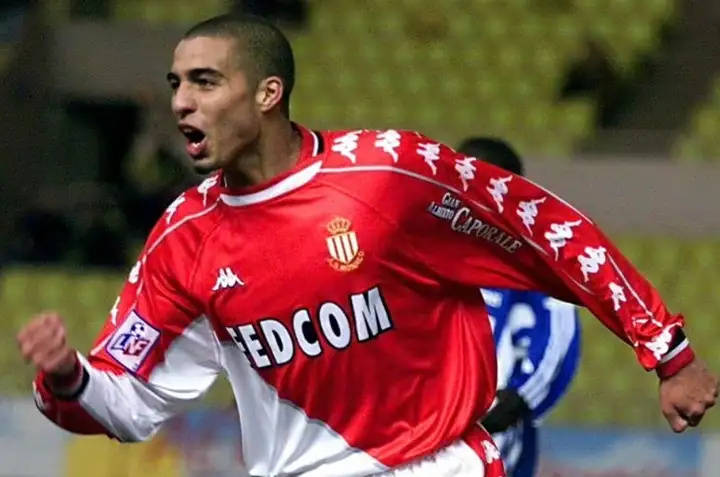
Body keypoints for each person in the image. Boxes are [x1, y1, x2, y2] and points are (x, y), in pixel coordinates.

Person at [16, 14, 717, 477]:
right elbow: (128, 399)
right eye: (176, 84)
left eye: (205, 82)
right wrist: (69, 377)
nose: (180, 102)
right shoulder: (183, 240)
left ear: (268, 93)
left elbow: (544, 226)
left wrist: (668, 351)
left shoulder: (389, 175)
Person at [459, 138, 581, 476]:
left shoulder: (535, 262)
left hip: (492, 432)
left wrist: (517, 400)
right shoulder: (428, 247)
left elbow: (556, 342)